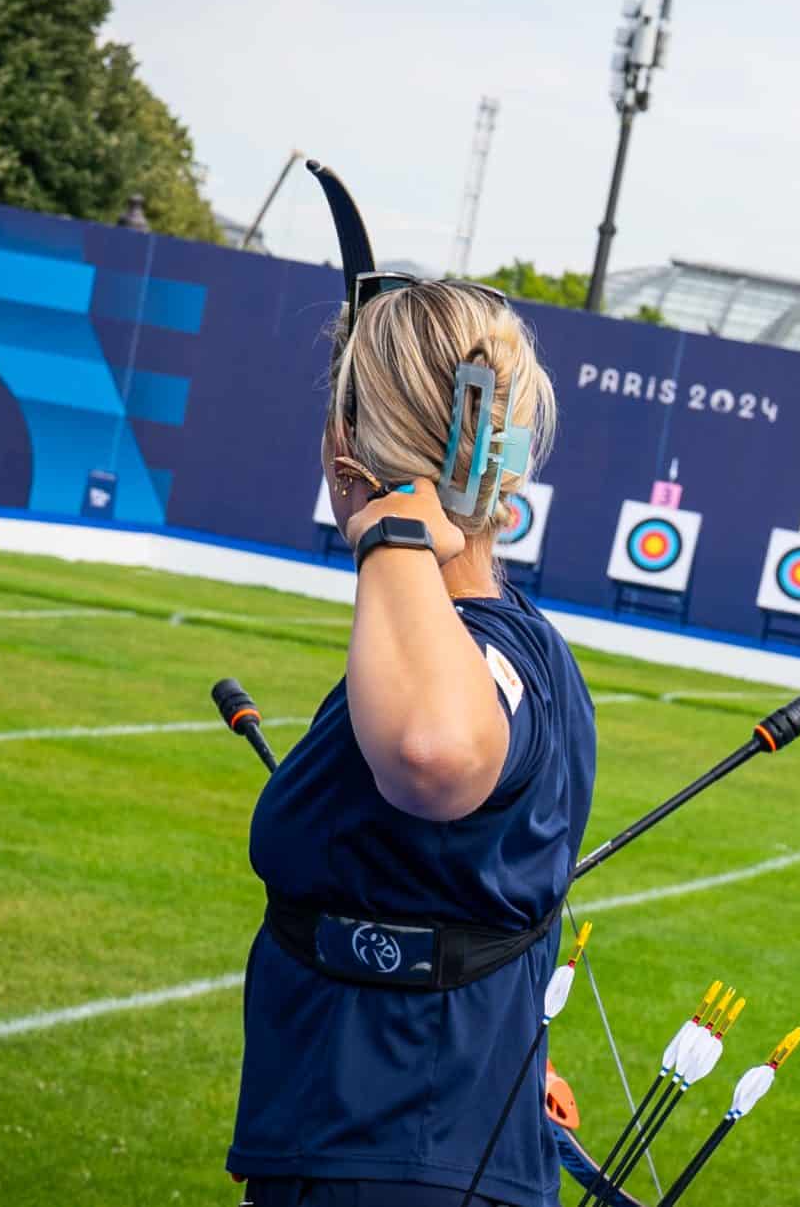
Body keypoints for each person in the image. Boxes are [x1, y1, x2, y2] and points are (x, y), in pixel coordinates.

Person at [227, 278, 594, 1207]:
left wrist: (389, 527)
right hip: (395, 1143)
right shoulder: (509, 644)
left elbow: (435, 753)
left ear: (346, 451)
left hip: (390, 1163)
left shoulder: (491, 652)